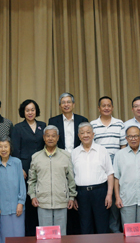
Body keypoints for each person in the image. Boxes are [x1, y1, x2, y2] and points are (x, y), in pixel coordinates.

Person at [48, 92, 87, 235]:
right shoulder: (53, 121)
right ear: (60, 105)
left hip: (79, 160)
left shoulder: (82, 120)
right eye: (63, 102)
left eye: (69, 102)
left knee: (78, 191)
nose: (66, 105)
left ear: (73, 104)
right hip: (60, 161)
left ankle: (77, 233)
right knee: (63, 191)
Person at [27, 125, 77, 236]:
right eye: (48, 136)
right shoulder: (36, 157)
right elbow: (32, 180)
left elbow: (71, 179)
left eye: (53, 136)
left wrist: (71, 197)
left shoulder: (66, 156)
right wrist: (33, 196)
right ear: (44, 137)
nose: (50, 138)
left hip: (61, 201)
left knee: (61, 235)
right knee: (45, 236)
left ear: (58, 137)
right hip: (42, 202)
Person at [90, 96, 126, 233]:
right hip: (98, 165)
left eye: (109, 105)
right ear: (99, 108)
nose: (106, 108)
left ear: (112, 107)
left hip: (116, 163)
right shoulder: (93, 124)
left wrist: (121, 164)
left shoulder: (119, 123)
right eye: (103, 106)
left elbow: (123, 146)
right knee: (102, 197)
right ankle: (102, 230)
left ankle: (115, 229)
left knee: (115, 197)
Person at [11, 99, 45, 236]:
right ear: (23, 112)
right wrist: (20, 168)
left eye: (32, 110)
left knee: (41, 197)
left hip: (42, 167)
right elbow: (15, 150)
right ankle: (29, 233)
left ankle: (41, 230)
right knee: (28, 198)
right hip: (25, 168)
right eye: (27, 110)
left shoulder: (43, 125)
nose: (30, 112)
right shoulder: (18, 128)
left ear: (36, 111)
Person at [71, 122, 113, 234]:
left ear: (93, 134)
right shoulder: (74, 153)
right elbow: (71, 176)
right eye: (82, 133)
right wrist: (73, 196)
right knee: (85, 226)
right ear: (78, 136)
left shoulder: (102, 150)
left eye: (88, 132)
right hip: (81, 194)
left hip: (100, 192)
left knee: (102, 226)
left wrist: (109, 195)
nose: (85, 135)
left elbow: (110, 173)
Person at [0, 137, 26, 243]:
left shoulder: (17, 162)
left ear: (10, 148)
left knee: (18, 236)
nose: (3, 149)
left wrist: (20, 203)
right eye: (0, 146)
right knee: (5, 237)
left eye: (6, 146)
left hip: (17, 206)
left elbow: (22, 184)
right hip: (3, 208)